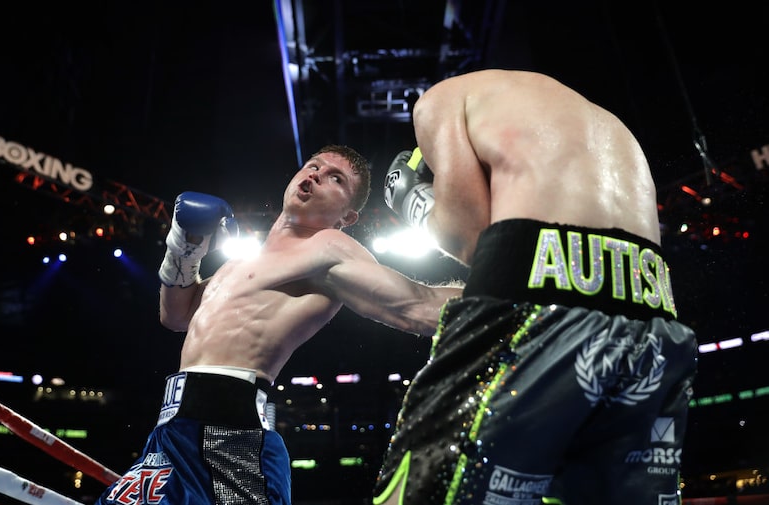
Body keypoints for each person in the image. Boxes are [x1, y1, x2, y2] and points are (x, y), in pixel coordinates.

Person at [375, 69, 698, 505]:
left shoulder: (441, 98)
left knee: (421, 492)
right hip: (653, 319)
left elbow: (466, 235)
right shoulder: (599, 121)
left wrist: (414, 201)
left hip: (539, 312)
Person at [94, 144, 463, 505]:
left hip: (230, 439)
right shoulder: (238, 264)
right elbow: (175, 316)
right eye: (314, 166)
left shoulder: (327, 248)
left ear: (347, 217)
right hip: (171, 432)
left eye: (335, 179)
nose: (316, 176)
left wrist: (505, 287)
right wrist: (183, 249)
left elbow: (415, 306)